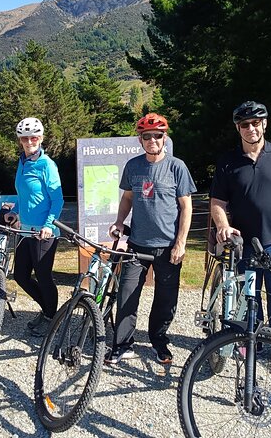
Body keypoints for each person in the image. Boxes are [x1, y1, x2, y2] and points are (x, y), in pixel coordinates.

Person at [210, 100, 271, 371]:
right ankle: (252, 342)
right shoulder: (228, 162)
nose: (251, 128)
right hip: (244, 246)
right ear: (237, 128)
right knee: (247, 297)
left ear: (264, 124)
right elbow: (217, 203)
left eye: (256, 122)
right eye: (245, 124)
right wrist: (222, 225)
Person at [105, 113, 196, 365]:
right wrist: (119, 221)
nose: (152, 140)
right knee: (126, 295)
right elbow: (127, 198)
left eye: (157, 135)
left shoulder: (177, 167)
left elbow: (186, 207)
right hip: (137, 244)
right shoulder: (133, 166)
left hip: (168, 247)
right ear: (140, 139)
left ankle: (159, 341)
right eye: (147, 136)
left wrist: (181, 242)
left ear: (164, 138)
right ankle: (122, 344)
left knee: (166, 300)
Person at [4, 117, 64, 337]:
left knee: (43, 275)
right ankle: (50, 311)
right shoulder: (23, 161)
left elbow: (57, 200)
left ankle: (50, 317)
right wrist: (16, 211)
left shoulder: (46, 164)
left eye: (34, 137)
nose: (29, 141)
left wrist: (49, 225)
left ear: (41, 138)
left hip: (43, 231)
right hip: (25, 230)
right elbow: (25, 193)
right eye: (25, 138)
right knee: (20, 275)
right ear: (20, 140)